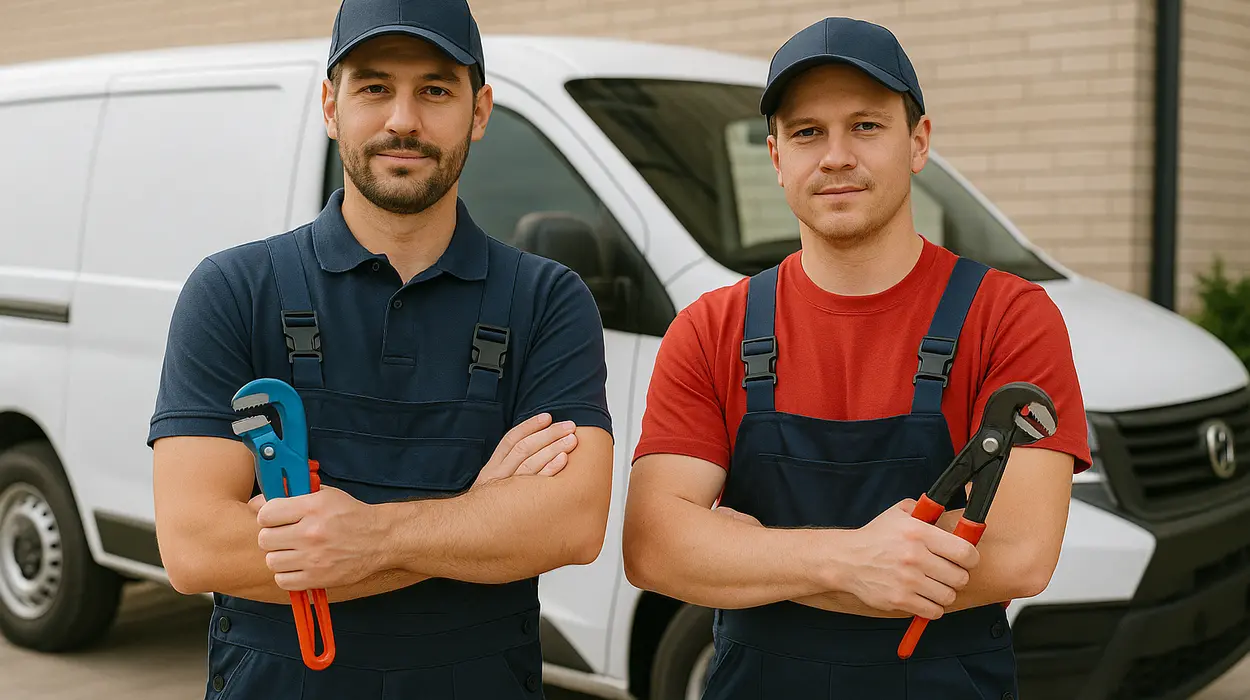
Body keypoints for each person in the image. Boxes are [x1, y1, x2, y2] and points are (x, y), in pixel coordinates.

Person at [148, 0, 614, 697]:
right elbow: (197, 548)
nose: (403, 119)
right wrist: (477, 515)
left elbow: (571, 525)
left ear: (480, 111)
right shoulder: (234, 290)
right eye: (373, 87)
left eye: (435, 90)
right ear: (330, 107)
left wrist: (371, 537)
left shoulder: (548, 300)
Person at [622, 16, 1092, 700]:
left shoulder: (1008, 317)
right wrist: (847, 562)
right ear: (776, 156)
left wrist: (749, 553)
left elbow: (1019, 554)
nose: (836, 156)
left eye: (866, 126)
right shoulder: (710, 329)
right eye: (807, 132)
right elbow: (655, 548)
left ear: (918, 141)